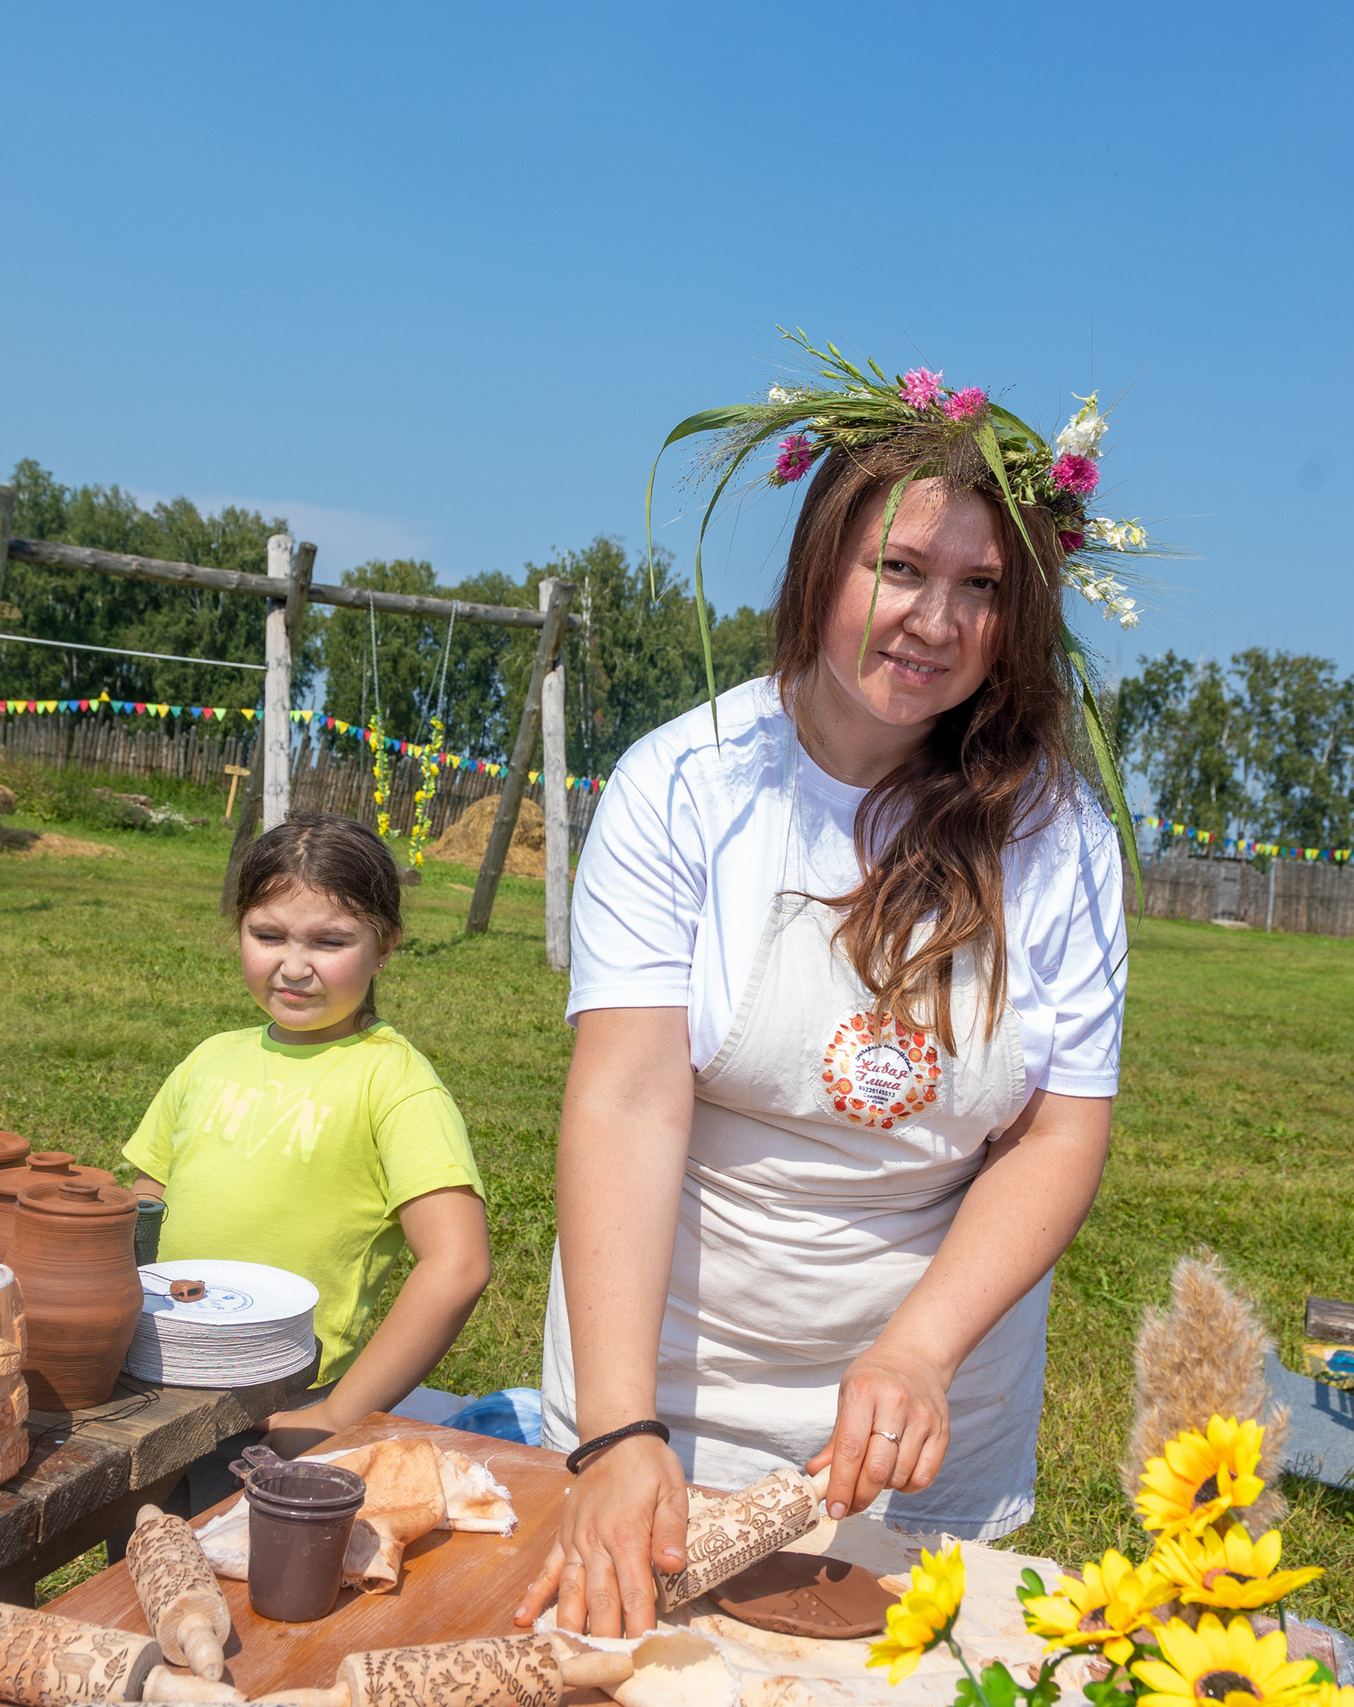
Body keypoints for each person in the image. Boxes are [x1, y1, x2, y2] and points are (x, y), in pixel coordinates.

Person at [518, 343, 1135, 1637]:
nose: (935, 618)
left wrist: (919, 1346)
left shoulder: (1057, 835)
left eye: (980, 587)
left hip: (914, 1425)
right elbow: (627, 1101)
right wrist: (623, 1425)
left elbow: (1056, 1126)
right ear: (823, 565)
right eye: (900, 567)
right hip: (673, 1386)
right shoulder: (685, 786)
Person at [126, 815, 492, 1456]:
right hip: (155, 1378)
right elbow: (145, 1203)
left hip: (286, 1405)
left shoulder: (395, 1083)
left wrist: (335, 1415)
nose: (294, 967)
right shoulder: (209, 1058)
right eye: (267, 935)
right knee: (137, 1549)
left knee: (234, 1553)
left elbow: (457, 1264)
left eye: (329, 942)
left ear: (385, 947)